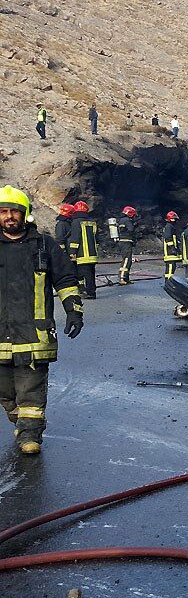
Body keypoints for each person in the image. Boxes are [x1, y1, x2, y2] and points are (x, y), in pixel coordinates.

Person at [0, 186, 83, 454]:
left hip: (35, 333)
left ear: (26, 215)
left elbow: (66, 280)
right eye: (3, 212)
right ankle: (20, 419)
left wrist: (74, 310)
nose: (9, 216)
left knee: (31, 389)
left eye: (15, 211)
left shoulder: (44, 245)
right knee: (5, 392)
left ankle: (29, 435)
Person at [68, 201, 99, 299]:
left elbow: (75, 238)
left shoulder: (76, 222)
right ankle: (91, 291)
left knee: (84, 274)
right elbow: (97, 237)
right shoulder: (92, 222)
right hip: (92, 254)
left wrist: (72, 252)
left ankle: (90, 293)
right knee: (91, 273)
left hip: (82, 254)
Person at [118, 206, 138, 285]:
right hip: (126, 242)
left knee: (128, 260)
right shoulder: (127, 221)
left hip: (123, 242)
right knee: (126, 260)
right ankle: (122, 278)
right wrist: (134, 225)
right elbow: (131, 230)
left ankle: (126, 278)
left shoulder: (121, 220)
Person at [162, 211, 182, 279]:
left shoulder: (171, 227)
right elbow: (168, 239)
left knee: (172, 267)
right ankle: (168, 282)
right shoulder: (168, 227)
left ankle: (169, 281)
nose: (174, 220)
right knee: (170, 268)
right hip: (169, 252)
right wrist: (172, 248)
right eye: (173, 219)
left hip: (171, 252)